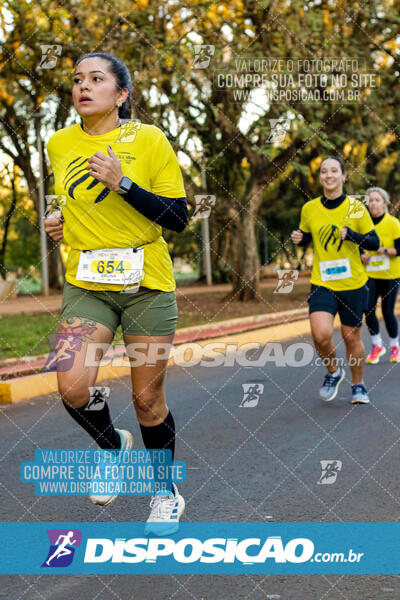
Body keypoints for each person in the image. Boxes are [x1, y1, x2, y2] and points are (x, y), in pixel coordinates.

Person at [44, 52, 187, 534]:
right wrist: (59, 223)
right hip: (88, 284)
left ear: (121, 94)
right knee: (72, 385)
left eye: (96, 79)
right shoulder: (58, 143)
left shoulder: (149, 140)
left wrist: (122, 182)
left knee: (147, 399)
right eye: (77, 79)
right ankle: (113, 447)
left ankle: (164, 492)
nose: (83, 86)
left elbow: (178, 218)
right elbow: (74, 202)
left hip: (146, 283)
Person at [291, 156, 379, 404]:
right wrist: (299, 238)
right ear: (320, 177)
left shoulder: (356, 208)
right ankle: (334, 372)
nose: (328, 175)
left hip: (353, 284)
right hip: (323, 282)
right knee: (320, 335)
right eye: (323, 171)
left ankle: (358, 384)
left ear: (343, 176)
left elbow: (374, 242)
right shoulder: (309, 208)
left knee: (352, 337)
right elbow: (308, 236)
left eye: (333, 171)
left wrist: (351, 234)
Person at [361, 187, 400, 364]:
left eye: (377, 200)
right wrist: (362, 255)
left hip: (391, 274)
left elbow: (398, 250)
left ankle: (394, 346)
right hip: (370, 274)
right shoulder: (363, 224)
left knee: (387, 310)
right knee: (367, 309)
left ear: (384, 203)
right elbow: (357, 248)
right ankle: (377, 344)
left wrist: (381, 250)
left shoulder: (393, 223)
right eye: (371, 200)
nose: (373, 203)